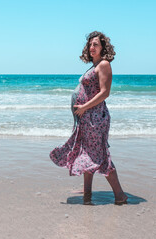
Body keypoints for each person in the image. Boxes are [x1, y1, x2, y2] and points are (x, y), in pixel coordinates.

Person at [50, 31, 128, 205]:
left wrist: (84, 107)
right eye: (90, 44)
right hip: (87, 118)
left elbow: (105, 92)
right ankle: (87, 195)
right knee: (88, 155)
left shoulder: (104, 64)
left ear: (103, 47)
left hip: (95, 118)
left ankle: (120, 195)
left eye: (96, 44)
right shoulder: (93, 66)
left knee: (99, 155)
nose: (91, 47)